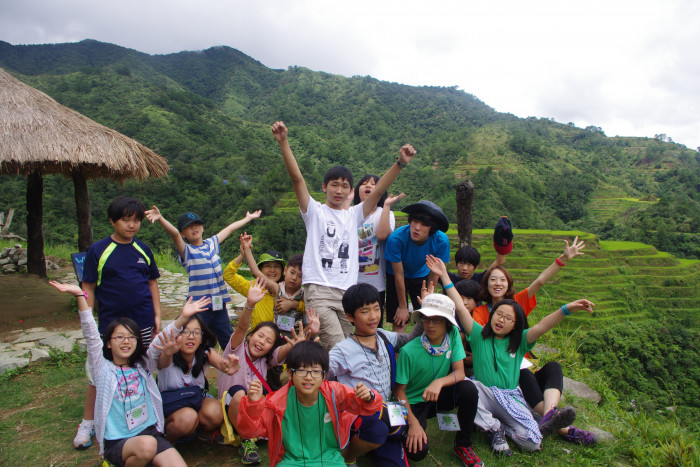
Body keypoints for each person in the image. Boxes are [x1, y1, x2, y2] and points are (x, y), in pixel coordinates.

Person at [425, 254, 595, 455]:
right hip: (485, 393)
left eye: (508, 318)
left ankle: (504, 428)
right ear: (492, 315)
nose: (501, 320)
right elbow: (460, 307)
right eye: (498, 314)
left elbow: (542, 326)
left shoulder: (520, 341)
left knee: (533, 443)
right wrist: (444, 276)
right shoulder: (479, 335)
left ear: (516, 324)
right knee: (469, 388)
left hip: (510, 396)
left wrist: (566, 309)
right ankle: (494, 429)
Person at [272, 120, 416, 350]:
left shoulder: (354, 214)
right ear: (324, 187)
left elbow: (378, 191)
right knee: (339, 346)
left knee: (352, 345)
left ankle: (336, 384)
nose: (339, 190)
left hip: (348, 292)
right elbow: (297, 179)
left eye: (345, 186)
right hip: (318, 290)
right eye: (334, 185)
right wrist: (283, 142)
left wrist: (400, 163)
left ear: (351, 191)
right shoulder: (314, 211)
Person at [48, 281, 186, 467]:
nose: (126, 341)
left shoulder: (143, 365)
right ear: (108, 343)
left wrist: (184, 316)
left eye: (131, 337)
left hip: (149, 431)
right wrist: (80, 296)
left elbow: (162, 338)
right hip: (118, 440)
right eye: (119, 337)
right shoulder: (102, 369)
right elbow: (90, 332)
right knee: (146, 446)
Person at [74, 196, 161, 450]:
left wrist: (157, 314)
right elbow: (88, 285)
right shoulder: (98, 250)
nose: (132, 225)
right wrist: (88, 318)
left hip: (143, 322)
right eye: (125, 220)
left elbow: (152, 283)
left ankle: (145, 417)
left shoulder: (143, 249)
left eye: (136, 220)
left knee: (145, 370)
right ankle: (88, 423)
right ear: (113, 221)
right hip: (112, 327)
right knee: (97, 375)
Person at [218, 278, 319, 464]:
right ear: (251, 336)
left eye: (268, 341)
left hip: (254, 407)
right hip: (231, 403)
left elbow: (284, 350)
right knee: (240, 394)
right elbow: (241, 327)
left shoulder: (267, 359)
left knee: (286, 394)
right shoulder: (236, 348)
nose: (262, 342)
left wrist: (301, 339)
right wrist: (250, 304)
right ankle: (247, 440)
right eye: (260, 336)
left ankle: (296, 437)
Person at [237, 340, 384, 467]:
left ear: (324, 375)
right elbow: (250, 431)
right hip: (290, 461)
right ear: (289, 373)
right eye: (301, 370)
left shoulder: (334, 392)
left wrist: (369, 396)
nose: (308, 377)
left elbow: (368, 406)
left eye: (315, 371)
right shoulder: (275, 402)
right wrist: (253, 404)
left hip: (329, 458)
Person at [328, 283, 425, 466]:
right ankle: (348, 455)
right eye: (365, 311)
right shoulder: (342, 350)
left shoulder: (383, 336)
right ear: (350, 316)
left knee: (407, 451)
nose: (373, 317)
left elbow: (411, 340)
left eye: (377, 309)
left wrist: (425, 311)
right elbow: (321, 376)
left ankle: (371, 445)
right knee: (378, 430)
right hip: (357, 414)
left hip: (384, 410)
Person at [145, 205, 261, 349]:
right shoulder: (186, 251)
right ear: (183, 234)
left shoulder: (211, 244)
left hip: (219, 307)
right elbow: (174, 234)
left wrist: (247, 218)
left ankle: (235, 368)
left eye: (197, 224)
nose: (194, 228)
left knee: (230, 342)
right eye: (189, 227)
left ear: (202, 227)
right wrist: (160, 218)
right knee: (196, 343)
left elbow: (230, 229)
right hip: (198, 308)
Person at [393, 292, 483, 467]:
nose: (430, 324)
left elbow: (460, 372)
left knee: (469, 390)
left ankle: (463, 444)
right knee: (417, 452)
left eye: (437, 320)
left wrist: (439, 382)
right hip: (414, 403)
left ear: (448, 323)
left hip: (437, 395)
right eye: (426, 319)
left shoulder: (453, 336)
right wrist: (413, 423)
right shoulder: (408, 351)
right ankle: (403, 432)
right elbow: (399, 391)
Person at [147, 297, 241, 443]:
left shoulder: (204, 353)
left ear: (202, 337)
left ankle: (198, 434)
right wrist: (167, 352)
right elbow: (162, 360)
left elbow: (224, 365)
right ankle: (166, 439)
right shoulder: (168, 357)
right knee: (188, 417)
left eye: (197, 332)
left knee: (216, 412)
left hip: (196, 401)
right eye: (186, 332)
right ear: (177, 335)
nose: (191, 337)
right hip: (172, 407)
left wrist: (231, 366)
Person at [471, 236, 586, 326]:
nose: (498, 283)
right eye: (493, 279)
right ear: (486, 285)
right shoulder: (479, 312)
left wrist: (563, 258)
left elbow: (540, 281)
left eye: (503, 280)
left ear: (508, 285)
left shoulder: (518, 301)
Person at [385, 200, 450, 333]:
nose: (417, 227)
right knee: (399, 318)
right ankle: (399, 352)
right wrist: (403, 307)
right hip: (396, 275)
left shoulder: (441, 241)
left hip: (422, 275)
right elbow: (399, 274)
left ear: (432, 228)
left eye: (424, 224)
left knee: (426, 315)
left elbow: (435, 272)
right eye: (414, 221)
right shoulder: (396, 239)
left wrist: (429, 298)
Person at [224, 234, 305, 335]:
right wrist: (244, 253)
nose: (272, 270)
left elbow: (312, 307)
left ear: (282, 271)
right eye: (267, 266)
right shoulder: (254, 289)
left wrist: (294, 304)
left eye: (276, 266)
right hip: (259, 338)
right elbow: (228, 275)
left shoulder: (298, 293)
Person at [354, 174, 405, 327]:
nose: (368, 186)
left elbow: (382, 235)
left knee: (373, 325)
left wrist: (387, 206)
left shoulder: (386, 213)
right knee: (350, 325)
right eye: (364, 183)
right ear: (357, 190)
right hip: (350, 281)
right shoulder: (350, 213)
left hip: (375, 283)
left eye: (374, 184)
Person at [447, 216, 512, 285]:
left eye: (469, 265)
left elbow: (500, 261)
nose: (464, 268)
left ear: (476, 267)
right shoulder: (448, 279)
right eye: (461, 264)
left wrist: (502, 237)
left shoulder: (480, 279)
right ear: (456, 264)